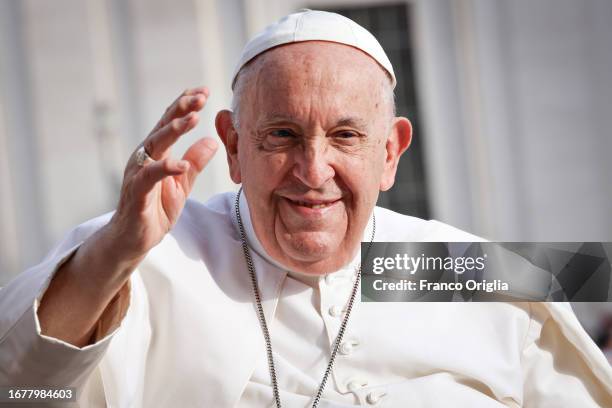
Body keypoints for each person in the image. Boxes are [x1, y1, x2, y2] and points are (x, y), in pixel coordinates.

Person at [1, 9, 611, 408]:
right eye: (282, 136)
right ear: (235, 147)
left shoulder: (463, 266)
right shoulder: (142, 254)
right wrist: (114, 251)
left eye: (346, 136)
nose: (312, 173)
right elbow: (19, 391)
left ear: (391, 152)